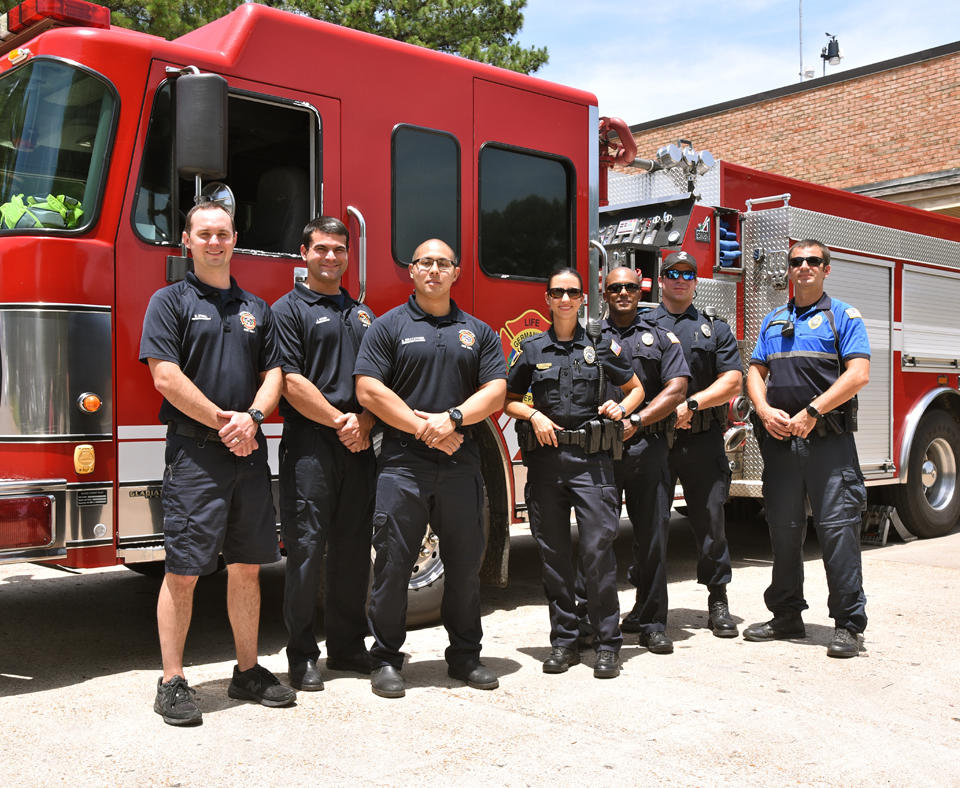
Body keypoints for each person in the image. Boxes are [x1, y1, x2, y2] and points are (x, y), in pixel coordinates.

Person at [140, 201, 295, 726]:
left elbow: (276, 375)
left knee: (248, 567)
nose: (214, 242)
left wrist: (251, 417)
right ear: (185, 240)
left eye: (223, 233)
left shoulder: (257, 307)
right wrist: (223, 423)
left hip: (248, 455)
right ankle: (172, 682)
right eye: (203, 233)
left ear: (235, 240)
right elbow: (165, 377)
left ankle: (247, 672)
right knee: (182, 571)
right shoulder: (169, 302)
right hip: (195, 456)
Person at [354, 239, 506, 698]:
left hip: (461, 464)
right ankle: (385, 658)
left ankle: (464, 656)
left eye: (444, 263)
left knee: (463, 565)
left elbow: (496, 390)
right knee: (394, 564)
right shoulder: (387, 327)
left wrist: (453, 418)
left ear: (457, 272)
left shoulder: (478, 332)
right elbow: (368, 391)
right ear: (412, 271)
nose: (435, 270)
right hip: (402, 465)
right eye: (426, 263)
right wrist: (426, 429)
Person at [505, 268, 644, 679]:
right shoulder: (532, 349)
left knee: (598, 554)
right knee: (553, 556)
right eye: (557, 293)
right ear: (546, 299)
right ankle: (564, 642)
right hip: (546, 464)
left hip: (592, 465)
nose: (565, 299)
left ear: (583, 299)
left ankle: (607, 644)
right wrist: (533, 414)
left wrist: (623, 408)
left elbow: (636, 387)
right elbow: (509, 399)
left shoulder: (602, 346)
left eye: (572, 292)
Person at [745, 239, 870, 658]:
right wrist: (763, 410)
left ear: (826, 269)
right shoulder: (774, 319)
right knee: (783, 531)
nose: (804, 267)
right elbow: (755, 372)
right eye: (797, 262)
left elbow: (858, 374)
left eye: (813, 261)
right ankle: (786, 616)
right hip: (781, 444)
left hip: (828, 444)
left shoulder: (842, 317)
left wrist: (813, 411)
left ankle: (849, 625)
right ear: (789, 270)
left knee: (837, 532)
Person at [271, 216, 377, 692]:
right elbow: (290, 382)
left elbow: (376, 384)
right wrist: (341, 422)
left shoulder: (362, 314)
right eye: (321, 249)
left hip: (358, 445)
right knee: (307, 550)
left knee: (354, 551)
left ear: (348, 255)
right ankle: (301, 654)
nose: (331, 257)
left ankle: (348, 646)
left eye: (339, 249)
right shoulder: (287, 311)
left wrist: (366, 423)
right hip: (311, 446)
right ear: (304, 253)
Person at [648, 251, 744, 648]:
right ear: (660, 280)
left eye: (688, 274)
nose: (681, 279)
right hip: (655, 440)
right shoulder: (642, 326)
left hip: (702, 438)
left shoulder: (713, 329)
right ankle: (649, 607)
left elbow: (733, 381)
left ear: (696, 282)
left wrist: (691, 406)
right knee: (649, 524)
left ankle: (718, 600)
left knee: (710, 521)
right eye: (673, 273)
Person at [601, 266, 690, 655]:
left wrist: (638, 420)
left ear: (641, 291)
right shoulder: (590, 338)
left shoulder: (661, 337)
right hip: (600, 449)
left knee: (652, 537)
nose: (623, 292)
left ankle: (652, 621)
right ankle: (597, 621)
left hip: (648, 448)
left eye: (630, 287)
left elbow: (676, 389)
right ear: (604, 294)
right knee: (596, 539)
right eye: (615, 287)